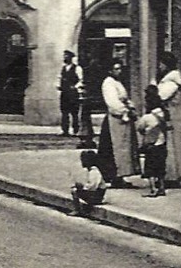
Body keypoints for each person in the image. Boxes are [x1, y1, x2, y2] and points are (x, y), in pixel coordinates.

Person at [95, 59, 135, 187]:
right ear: (110, 70)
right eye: (116, 69)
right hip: (115, 118)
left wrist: (130, 107)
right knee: (113, 147)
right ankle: (112, 176)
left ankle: (120, 176)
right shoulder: (108, 83)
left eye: (120, 68)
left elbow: (125, 98)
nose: (119, 71)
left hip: (122, 119)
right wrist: (124, 111)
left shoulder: (117, 82)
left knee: (123, 147)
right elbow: (112, 102)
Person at [157, 51, 181, 186]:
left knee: (174, 145)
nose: (159, 66)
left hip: (174, 116)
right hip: (175, 115)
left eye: (161, 63)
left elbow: (161, 96)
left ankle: (176, 176)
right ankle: (177, 175)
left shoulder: (171, 81)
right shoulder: (173, 79)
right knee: (176, 144)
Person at [135, 84, 169, 197]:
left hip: (151, 145)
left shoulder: (147, 117)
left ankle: (153, 189)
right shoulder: (163, 114)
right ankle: (162, 187)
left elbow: (140, 128)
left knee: (150, 168)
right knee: (161, 167)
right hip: (162, 144)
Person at [71, 149, 107, 215]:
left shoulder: (94, 171)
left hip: (96, 195)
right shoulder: (91, 171)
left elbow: (93, 186)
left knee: (75, 191)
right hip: (96, 194)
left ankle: (77, 210)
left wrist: (82, 187)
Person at [57, 50, 82, 137]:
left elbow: (81, 80)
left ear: (71, 58)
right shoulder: (63, 68)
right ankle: (65, 130)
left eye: (67, 56)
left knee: (74, 113)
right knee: (64, 112)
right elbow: (59, 78)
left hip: (73, 94)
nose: (65, 58)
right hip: (64, 93)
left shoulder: (77, 68)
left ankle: (75, 130)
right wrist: (58, 85)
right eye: (64, 56)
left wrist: (75, 87)